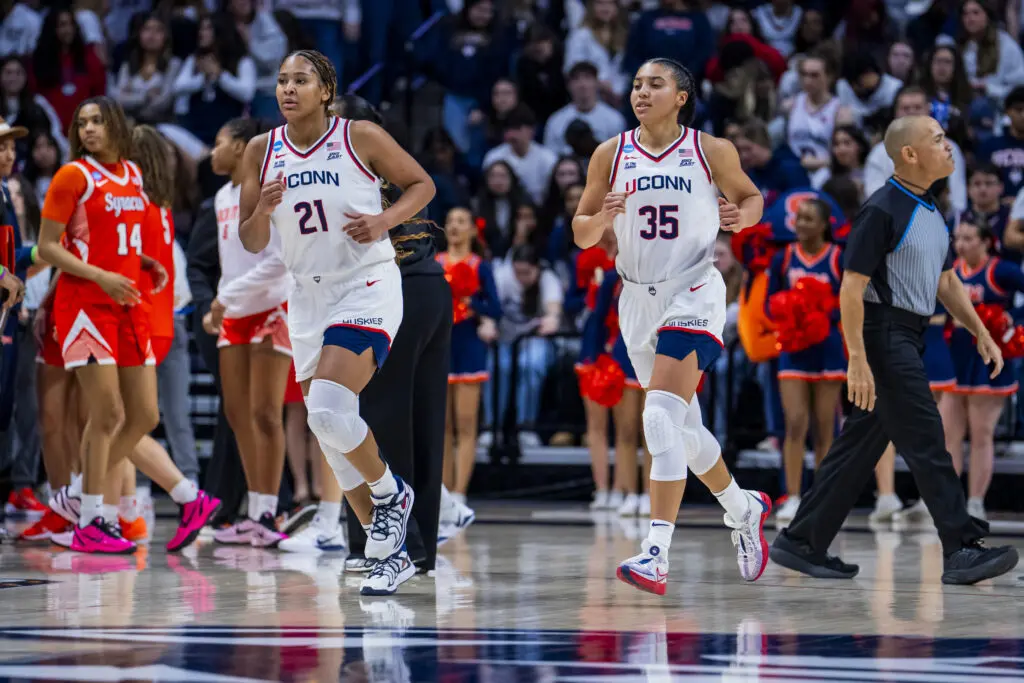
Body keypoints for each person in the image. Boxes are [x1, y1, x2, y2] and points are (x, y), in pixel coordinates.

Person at [769, 114, 1020, 586]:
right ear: (910, 154)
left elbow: (946, 282)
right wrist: (857, 358)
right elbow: (851, 288)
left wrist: (979, 331)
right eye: (940, 140)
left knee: (857, 449)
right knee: (927, 435)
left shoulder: (932, 210)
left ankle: (801, 541)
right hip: (881, 334)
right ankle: (961, 547)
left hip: (908, 333)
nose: (950, 149)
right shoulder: (882, 208)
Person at [237, 52, 435, 595]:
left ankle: (391, 493)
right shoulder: (261, 149)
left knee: (326, 406)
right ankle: (386, 550)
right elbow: (252, 241)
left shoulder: (359, 136)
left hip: (364, 284)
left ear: (326, 89)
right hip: (306, 296)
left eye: (300, 80)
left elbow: (422, 186)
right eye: (280, 80)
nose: (287, 89)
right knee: (328, 430)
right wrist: (261, 209)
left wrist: (383, 221)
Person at [573, 57, 772, 596]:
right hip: (636, 298)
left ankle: (655, 552)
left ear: (681, 96)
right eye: (637, 84)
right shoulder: (609, 154)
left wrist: (742, 217)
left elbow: (753, 198)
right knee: (684, 431)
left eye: (654, 84)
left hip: (693, 289)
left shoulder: (711, 150)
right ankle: (742, 507)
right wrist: (602, 218)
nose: (641, 92)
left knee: (658, 419)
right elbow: (581, 233)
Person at [37, 96, 220, 554]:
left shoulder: (134, 177)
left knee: (145, 415)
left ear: (116, 125)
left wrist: (142, 263)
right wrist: (102, 275)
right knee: (108, 415)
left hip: (129, 302)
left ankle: (80, 498)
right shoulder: (73, 175)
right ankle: (94, 518)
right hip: (85, 304)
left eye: (97, 121)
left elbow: (108, 240)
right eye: (82, 123)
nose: (89, 130)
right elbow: (48, 247)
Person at [206, 116, 293, 548]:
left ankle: (267, 512)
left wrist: (227, 296)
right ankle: (255, 508)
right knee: (237, 415)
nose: (212, 152)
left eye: (218, 142)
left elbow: (279, 260)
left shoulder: (272, 188)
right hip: (235, 308)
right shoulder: (222, 195)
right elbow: (231, 262)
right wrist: (221, 302)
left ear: (242, 147)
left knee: (264, 413)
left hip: (273, 304)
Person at [767, 199, 846, 524]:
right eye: (799, 218)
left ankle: (823, 498)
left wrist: (821, 311)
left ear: (824, 225)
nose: (800, 224)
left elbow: (849, 303)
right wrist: (791, 309)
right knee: (796, 423)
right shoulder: (782, 258)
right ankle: (794, 496)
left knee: (825, 425)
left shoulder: (838, 258)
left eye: (808, 219)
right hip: (793, 348)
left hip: (827, 349)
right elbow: (770, 302)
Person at [941, 219, 1024, 521]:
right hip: (956, 356)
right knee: (949, 435)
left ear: (986, 241)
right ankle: (948, 502)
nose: (961, 245)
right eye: (958, 238)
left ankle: (975, 501)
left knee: (981, 433)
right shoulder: (950, 271)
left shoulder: (1000, 270)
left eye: (969, 238)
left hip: (989, 359)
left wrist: (1009, 317)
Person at [437, 206, 499, 526]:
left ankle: (460, 490)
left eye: (461, 221)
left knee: (465, 422)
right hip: (440, 347)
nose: (455, 227)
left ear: (473, 230)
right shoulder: (434, 264)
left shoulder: (480, 266)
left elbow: (496, 307)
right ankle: (443, 490)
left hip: (469, 346)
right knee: (442, 426)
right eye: (450, 222)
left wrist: (469, 301)